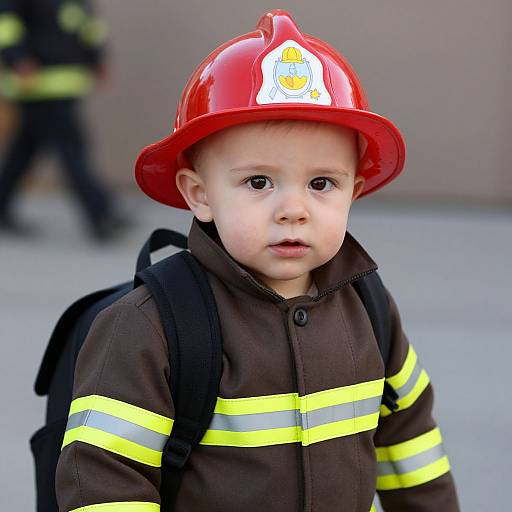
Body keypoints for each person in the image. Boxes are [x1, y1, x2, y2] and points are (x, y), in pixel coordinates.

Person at [55, 10, 460, 511]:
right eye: (258, 182)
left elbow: (410, 446)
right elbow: (105, 485)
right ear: (199, 195)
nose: (293, 209)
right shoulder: (149, 328)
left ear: (353, 192)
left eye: (321, 184)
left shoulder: (371, 309)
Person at [0, 0, 127, 240]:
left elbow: (89, 28)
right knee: (72, 148)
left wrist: (98, 58)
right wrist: (17, 58)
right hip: (36, 86)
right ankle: (101, 215)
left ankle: (1, 206)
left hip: (65, 85)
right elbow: (5, 24)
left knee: (25, 148)